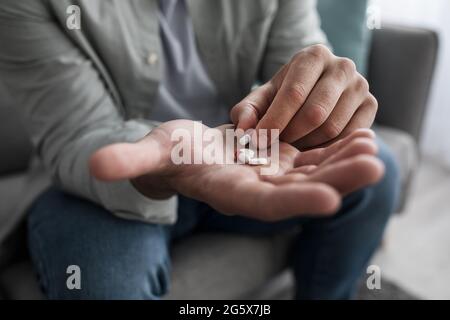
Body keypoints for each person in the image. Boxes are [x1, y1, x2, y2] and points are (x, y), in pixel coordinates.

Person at [0, 0, 399, 299]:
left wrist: (321, 97)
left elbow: (300, 66)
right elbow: (77, 133)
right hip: (102, 183)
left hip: (244, 160)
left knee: (376, 167)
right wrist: (168, 159)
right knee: (104, 282)